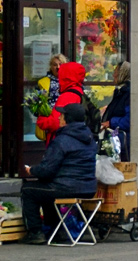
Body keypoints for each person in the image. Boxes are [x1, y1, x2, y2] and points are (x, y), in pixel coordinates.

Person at [20, 102, 98, 244]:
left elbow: (46, 170)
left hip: (66, 187)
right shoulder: (90, 139)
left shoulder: (62, 140)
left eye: (61, 115)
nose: (58, 118)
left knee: (28, 190)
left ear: (68, 119)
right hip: (88, 189)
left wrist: (31, 170)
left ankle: (36, 232)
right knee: (45, 188)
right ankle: (57, 231)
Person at [35, 60, 88, 146]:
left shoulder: (67, 96)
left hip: (61, 142)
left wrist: (42, 120)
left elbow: (56, 122)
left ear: (66, 76)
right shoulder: (79, 91)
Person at [101, 60, 131, 160]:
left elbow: (129, 119)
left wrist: (111, 122)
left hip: (123, 141)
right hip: (117, 137)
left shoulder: (128, 93)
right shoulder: (120, 91)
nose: (114, 75)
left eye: (116, 71)